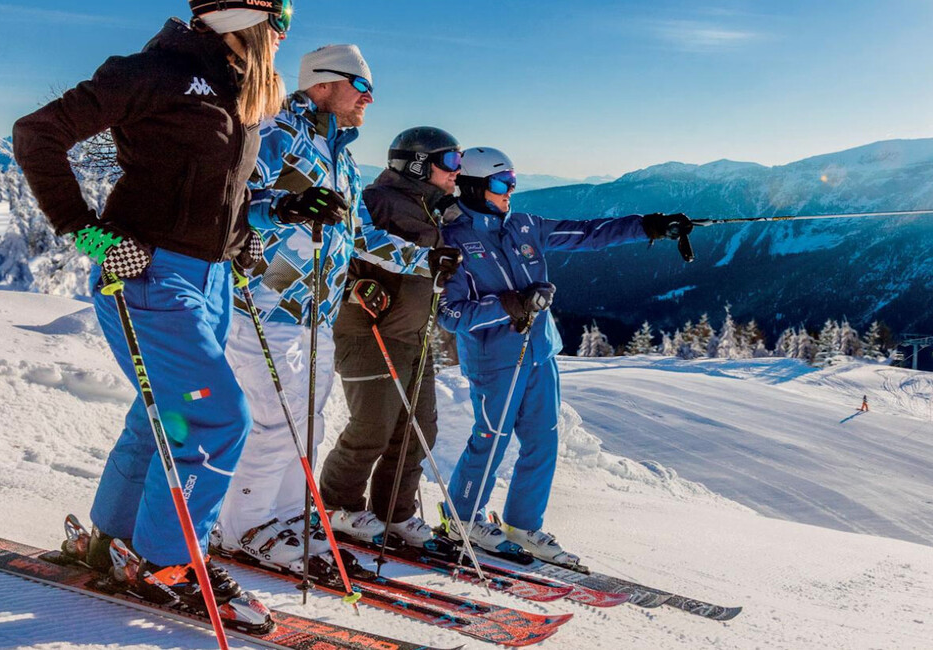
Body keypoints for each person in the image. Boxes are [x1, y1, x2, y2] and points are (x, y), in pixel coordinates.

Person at [11, 0, 292, 613]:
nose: (284, 35)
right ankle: (169, 564)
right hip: (152, 277)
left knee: (165, 416)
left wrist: (239, 246)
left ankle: (114, 540)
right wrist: (90, 236)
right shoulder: (157, 71)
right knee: (218, 420)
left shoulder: (231, 86)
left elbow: (220, 192)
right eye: (283, 18)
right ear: (254, 17)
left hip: (209, 280)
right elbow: (36, 135)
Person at [213, 45, 436, 572]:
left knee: (305, 422)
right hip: (263, 303)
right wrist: (284, 206)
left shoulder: (340, 154)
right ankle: (243, 528)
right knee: (276, 421)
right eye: (362, 88)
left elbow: (361, 234)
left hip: (316, 314)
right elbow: (229, 201)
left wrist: (427, 261)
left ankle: (289, 517)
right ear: (323, 84)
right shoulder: (275, 132)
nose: (370, 99)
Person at [438, 147, 692, 564]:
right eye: (502, 184)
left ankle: (522, 525)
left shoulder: (523, 226)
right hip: (495, 359)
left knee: (542, 441)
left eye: (514, 181)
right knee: (491, 440)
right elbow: (451, 315)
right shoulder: (454, 240)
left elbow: (588, 233)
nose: (511, 191)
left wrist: (648, 226)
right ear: (473, 186)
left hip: (540, 352)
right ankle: (461, 518)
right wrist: (509, 305)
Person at [319, 127, 463, 546]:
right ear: (418, 163)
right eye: (450, 161)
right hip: (369, 333)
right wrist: (351, 288)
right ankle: (336, 506)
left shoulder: (430, 206)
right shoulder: (376, 202)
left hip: (413, 336)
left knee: (419, 430)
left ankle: (394, 513)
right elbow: (340, 249)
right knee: (371, 429)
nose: (457, 170)